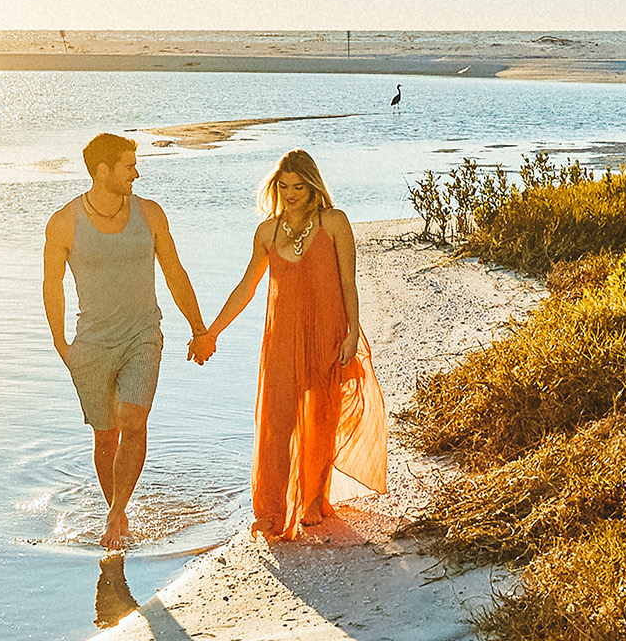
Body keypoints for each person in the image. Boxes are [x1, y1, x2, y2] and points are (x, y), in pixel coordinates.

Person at [194, 150, 387, 540]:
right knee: (275, 424)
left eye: (298, 186)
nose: (291, 193)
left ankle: (311, 502)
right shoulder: (268, 231)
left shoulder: (334, 223)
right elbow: (247, 288)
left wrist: (352, 332)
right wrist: (211, 331)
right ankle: (269, 512)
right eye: (283, 187)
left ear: (313, 186)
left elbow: (348, 283)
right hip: (281, 338)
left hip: (327, 333)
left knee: (320, 419)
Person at [43, 133, 210, 549]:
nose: (136, 173)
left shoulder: (150, 214)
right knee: (106, 436)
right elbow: (52, 285)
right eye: (128, 166)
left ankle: (117, 515)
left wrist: (199, 328)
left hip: (143, 335)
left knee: (134, 424)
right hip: (92, 343)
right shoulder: (64, 222)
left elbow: (175, 273)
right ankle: (116, 508)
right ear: (103, 171)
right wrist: (61, 344)